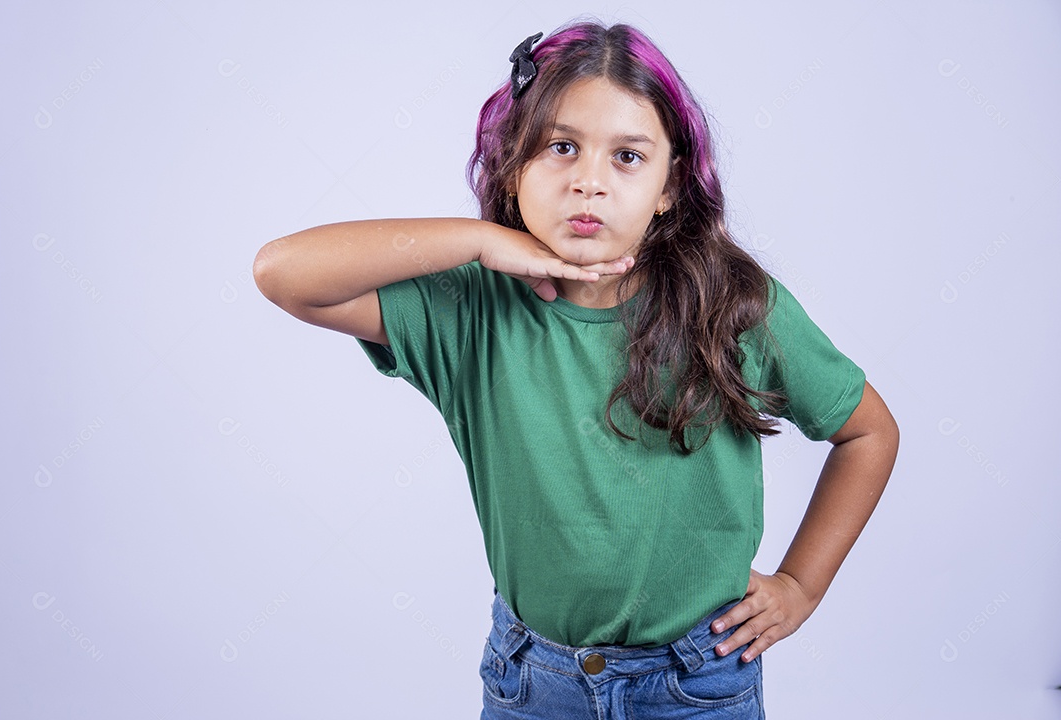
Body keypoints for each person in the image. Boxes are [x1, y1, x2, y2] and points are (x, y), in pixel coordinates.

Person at [253, 19, 899, 719]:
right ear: (512, 166)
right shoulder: (471, 310)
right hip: (533, 682)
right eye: (561, 148)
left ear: (669, 187)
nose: (589, 182)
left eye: (627, 156)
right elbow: (284, 272)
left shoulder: (734, 305)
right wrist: (479, 241)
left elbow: (868, 433)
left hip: (697, 683)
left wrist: (801, 585)